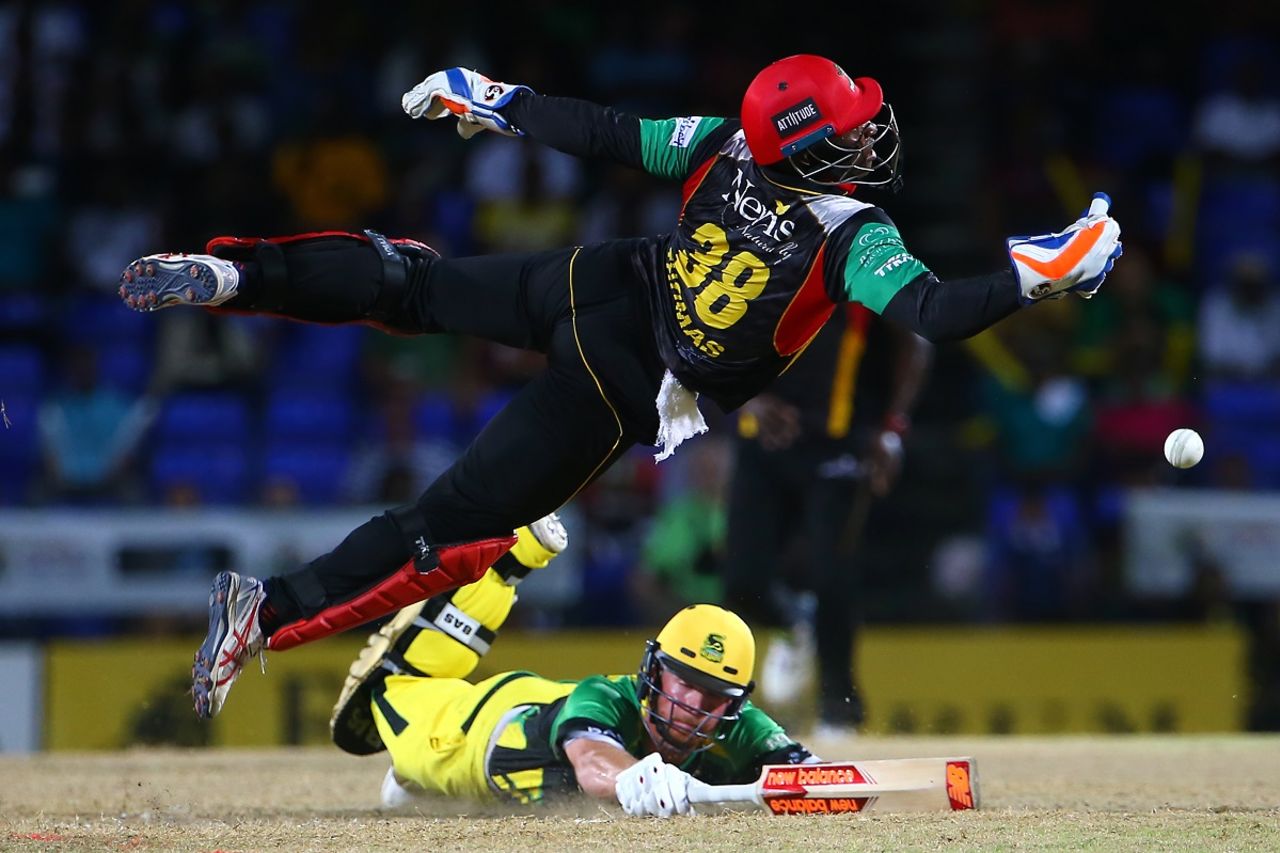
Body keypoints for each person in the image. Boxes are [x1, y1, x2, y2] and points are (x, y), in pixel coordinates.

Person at [117, 54, 1123, 719]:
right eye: (850, 129)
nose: (868, 139)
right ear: (812, 144)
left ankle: (237, 273)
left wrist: (495, 98)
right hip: (624, 380)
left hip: (598, 280)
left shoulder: (729, 139)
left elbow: (606, 132)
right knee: (448, 525)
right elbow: (936, 316)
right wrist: (1040, 273)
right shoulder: (853, 234)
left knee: (411, 283)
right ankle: (271, 609)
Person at [334, 601, 817, 816]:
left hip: (522, 737)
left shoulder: (739, 726)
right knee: (391, 693)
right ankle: (489, 578)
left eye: (713, 696)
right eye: (684, 683)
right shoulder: (603, 696)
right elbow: (591, 763)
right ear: (654, 671)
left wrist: (819, 780)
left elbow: (816, 777)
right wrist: (639, 777)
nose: (694, 705)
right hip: (475, 728)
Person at [723, 305, 931, 732]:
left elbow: (915, 338)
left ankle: (840, 709)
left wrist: (892, 428)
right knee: (742, 581)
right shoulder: (759, 258)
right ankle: (788, 625)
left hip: (838, 442)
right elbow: (711, 340)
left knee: (832, 577)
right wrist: (747, 397)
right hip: (762, 441)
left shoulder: (856, 261)